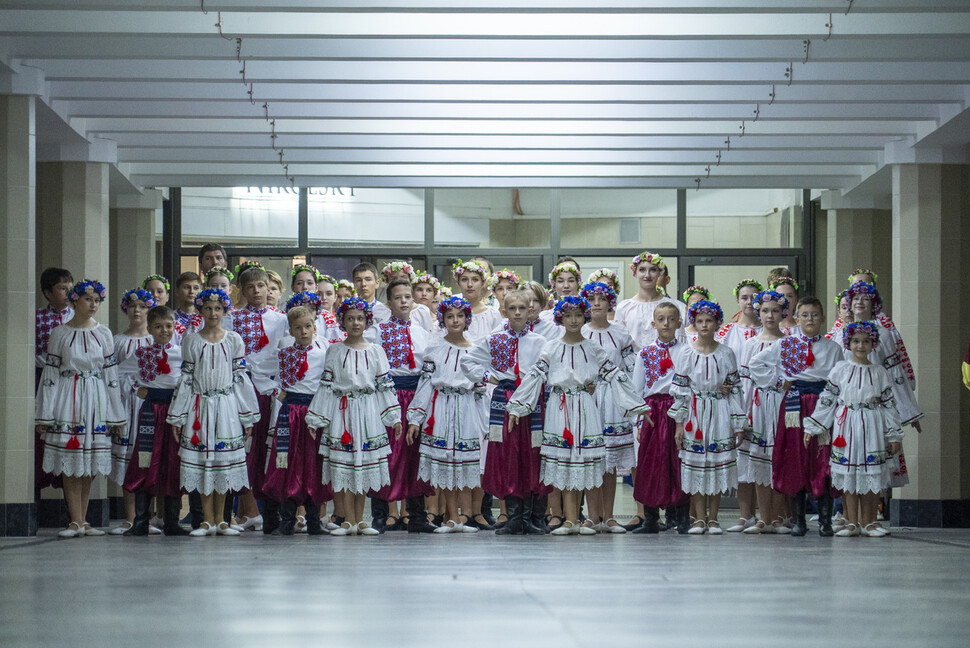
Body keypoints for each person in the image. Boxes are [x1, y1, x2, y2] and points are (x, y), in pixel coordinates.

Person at [508, 296, 650, 536]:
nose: (573, 320)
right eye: (568, 315)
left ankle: (588, 519)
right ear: (560, 318)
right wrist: (516, 406)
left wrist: (638, 405)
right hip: (559, 407)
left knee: (582, 460)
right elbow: (535, 376)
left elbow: (615, 375)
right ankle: (569, 519)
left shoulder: (593, 347)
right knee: (563, 461)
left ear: (584, 316)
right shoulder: (552, 346)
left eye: (577, 315)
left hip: (585, 406)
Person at [35, 279, 125, 538]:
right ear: (75, 300)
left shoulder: (104, 333)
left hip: (96, 398)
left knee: (89, 459)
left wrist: (116, 414)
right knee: (72, 458)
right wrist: (45, 413)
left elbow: (111, 376)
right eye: (88, 299)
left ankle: (83, 520)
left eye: (97, 300)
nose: (93, 304)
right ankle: (75, 520)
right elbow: (50, 375)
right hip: (68, 395)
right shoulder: (60, 333)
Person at [748, 296, 844, 537]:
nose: (809, 319)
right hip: (794, 407)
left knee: (822, 458)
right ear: (795, 318)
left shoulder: (833, 348)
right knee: (796, 459)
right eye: (805, 315)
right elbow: (756, 364)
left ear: (822, 319)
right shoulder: (786, 344)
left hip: (822, 406)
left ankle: (825, 520)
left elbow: (840, 377)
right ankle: (798, 520)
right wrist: (780, 381)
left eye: (814, 315)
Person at [306, 298, 402, 537]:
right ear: (342, 322)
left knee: (362, 467)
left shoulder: (376, 350)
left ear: (367, 321)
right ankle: (347, 520)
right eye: (350, 318)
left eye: (360, 318)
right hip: (342, 413)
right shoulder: (335, 350)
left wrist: (394, 417)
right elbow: (327, 386)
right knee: (344, 468)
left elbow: (384, 386)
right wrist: (316, 419)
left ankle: (360, 520)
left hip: (368, 414)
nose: (356, 323)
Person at [167, 288, 258, 537]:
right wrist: (178, 415)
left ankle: (222, 520)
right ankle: (206, 521)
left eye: (218, 308)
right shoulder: (192, 340)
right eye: (207, 308)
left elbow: (240, 378)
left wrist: (246, 415)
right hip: (200, 406)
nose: (213, 313)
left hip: (226, 406)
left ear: (225, 310)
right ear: (200, 310)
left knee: (223, 463)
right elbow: (186, 379)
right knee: (205, 464)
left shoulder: (233, 340)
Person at [805, 321, 904, 538]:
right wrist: (813, 426)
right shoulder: (840, 369)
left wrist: (893, 433)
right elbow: (828, 399)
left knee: (871, 473)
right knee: (849, 474)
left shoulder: (879, 372)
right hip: (846, 424)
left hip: (871, 423)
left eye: (866, 341)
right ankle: (852, 522)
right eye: (856, 341)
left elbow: (889, 404)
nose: (861, 346)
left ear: (873, 344)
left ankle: (869, 522)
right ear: (848, 343)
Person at [461, 289, 548, 535]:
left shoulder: (540, 342)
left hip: (532, 402)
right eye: (513, 308)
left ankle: (531, 518)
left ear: (530, 310)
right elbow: (467, 361)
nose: (518, 312)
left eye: (522, 308)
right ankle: (513, 516)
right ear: (504, 311)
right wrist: (489, 377)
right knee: (507, 455)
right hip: (504, 399)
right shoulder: (495, 339)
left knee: (532, 454)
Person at [407, 297, 487, 533]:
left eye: (460, 316)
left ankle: (461, 517)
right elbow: (425, 384)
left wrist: (485, 424)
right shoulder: (435, 348)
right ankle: (450, 517)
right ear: (442, 319)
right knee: (447, 464)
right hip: (441, 407)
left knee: (462, 463)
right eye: (450, 316)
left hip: (466, 407)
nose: (455, 320)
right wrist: (415, 418)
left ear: (466, 319)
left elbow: (481, 389)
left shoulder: (475, 350)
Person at [364, 278, 436, 533]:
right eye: (398, 297)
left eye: (408, 296)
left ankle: (416, 515)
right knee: (387, 453)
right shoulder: (377, 331)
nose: (404, 301)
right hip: (389, 396)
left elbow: (428, 369)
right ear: (389, 302)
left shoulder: (422, 332)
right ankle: (381, 515)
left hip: (416, 395)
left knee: (416, 454)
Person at [670, 300, 745, 536]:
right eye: (699, 321)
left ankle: (714, 519)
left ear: (716, 323)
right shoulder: (685, 352)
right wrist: (679, 424)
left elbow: (735, 389)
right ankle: (699, 519)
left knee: (715, 465)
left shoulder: (726, 353)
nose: (704, 325)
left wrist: (738, 424)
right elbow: (680, 391)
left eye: (709, 321)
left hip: (720, 411)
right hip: (695, 413)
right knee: (696, 467)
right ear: (693, 323)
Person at [845, 280, 922, 490]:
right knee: (848, 461)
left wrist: (909, 412)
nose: (860, 302)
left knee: (875, 462)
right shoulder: (839, 334)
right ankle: (848, 518)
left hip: (875, 408)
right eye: (856, 298)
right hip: (847, 409)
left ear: (874, 304)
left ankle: (872, 516)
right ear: (849, 304)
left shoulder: (884, 334)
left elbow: (895, 375)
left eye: (865, 298)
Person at [261, 304, 331, 536]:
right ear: (290, 331)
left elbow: (328, 384)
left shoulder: (323, 355)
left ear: (315, 328)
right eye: (298, 328)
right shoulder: (282, 354)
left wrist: (321, 411)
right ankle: (286, 518)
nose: (303, 332)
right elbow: (257, 369)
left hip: (312, 414)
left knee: (312, 464)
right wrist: (275, 391)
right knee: (287, 462)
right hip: (289, 413)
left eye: (308, 326)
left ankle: (313, 520)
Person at [122, 305, 190, 536]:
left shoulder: (182, 354)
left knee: (173, 462)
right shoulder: (142, 354)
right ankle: (141, 520)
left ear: (175, 327)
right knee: (145, 460)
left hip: (174, 413)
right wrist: (135, 388)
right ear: (150, 328)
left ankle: (172, 520)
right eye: (159, 326)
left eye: (169, 326)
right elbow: (119, 373)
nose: (164, 330)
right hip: (151, 412)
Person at [231, 263, 289, 531]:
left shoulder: (281, 319)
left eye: (261, 285)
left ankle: (270, 510)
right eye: (250, 287)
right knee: (245, 448)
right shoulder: (231, 318)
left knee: (269, 448)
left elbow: (285, 354)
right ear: (241, 290)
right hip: (241, 389)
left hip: (269, 390)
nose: (256, 291)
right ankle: (248, 509)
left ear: (269, 288)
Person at [580, 281, 637, 533]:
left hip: (613, 399)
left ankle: (610, 516)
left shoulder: (621, 333)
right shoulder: (580, 332)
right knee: (592, 460)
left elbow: (631, 367)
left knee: (610, 463)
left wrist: (632, 398)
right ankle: (592, 516)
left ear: (610, 302)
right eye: (591, 299)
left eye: (601, 299)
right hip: (587, 398)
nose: (596, 303)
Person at [631, 302, 690, 534]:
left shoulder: (687, 351)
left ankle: (680, 516)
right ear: (653, 323)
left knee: (678, 462)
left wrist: (684, 417)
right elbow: (637, 388)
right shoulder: (645, 353)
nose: (666, 323)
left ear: (679, 323)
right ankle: (651, 518)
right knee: (650, 463)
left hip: (676, 408)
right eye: (661, 319)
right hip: (653, 411)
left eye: (671, 319)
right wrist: (638, 419)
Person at [737, 290, 791, 534]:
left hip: (782, 406)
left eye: (775, 310)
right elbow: (745, 382)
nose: (770, 315)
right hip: (758, 407)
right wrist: (743, 414)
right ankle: (762, 517)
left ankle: (780, 517)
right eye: (766, 310)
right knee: (759, 462)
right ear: (758, 312)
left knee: (779, 462)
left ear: (783, 313)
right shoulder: (751, 344)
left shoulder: (790, 342)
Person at [716, 279, 763, 533]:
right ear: (738, 300)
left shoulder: (769, 330)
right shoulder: (726, 332)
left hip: (763, 397)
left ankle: (771, 514)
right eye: (744, 297)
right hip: (735, 397)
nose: (749, 302)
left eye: (754, 297)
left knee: (764, 455)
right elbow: (716, 360)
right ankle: (745, 515)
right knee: (742, 457)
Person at [109, 288, 157, 535]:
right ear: (125, 309)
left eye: (143, 306)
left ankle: (147, 517)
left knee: (148, 457)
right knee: (128, 458)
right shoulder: (117, 341)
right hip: (126, 404)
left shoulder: (155, 340)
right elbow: (111, 376)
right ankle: (130, 516)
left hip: (150, 403)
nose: (137, 310)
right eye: (133, 306)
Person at [34, 267, 74, 491]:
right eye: (61, 287)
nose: (67, 291)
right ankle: (37, 486)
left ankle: (74, 509)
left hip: (70, 382)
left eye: (69, 286)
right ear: (48, 292)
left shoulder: (77, 317)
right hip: (42, 379)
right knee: (41, 434)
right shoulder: (37, 317)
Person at [615, 252, 686, 350]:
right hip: (632, 363)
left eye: (653, 270)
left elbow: (679, 341)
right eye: (642, 270)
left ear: (659, 273)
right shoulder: (624, 307)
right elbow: (619, 342)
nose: (647, 275)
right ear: (635, 273)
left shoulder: (672, 305)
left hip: (667, 362)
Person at [453, 259, 502, 342]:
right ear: (458, 282)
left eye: (475, 280)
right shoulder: (449, 312)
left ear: (482, 283)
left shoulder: (492, 314)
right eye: (464, 279)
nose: (470, 285)